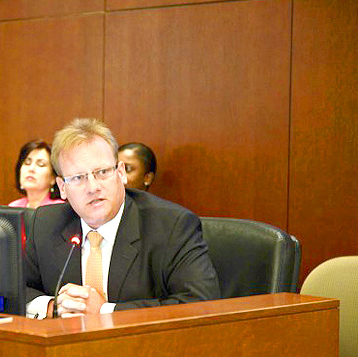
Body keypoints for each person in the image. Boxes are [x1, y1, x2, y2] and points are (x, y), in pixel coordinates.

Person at [25, 118, 219, 318]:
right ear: (62, 187)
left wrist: (104, 311)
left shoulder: (172, 226)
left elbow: (202, 302)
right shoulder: (46, 223)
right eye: (78, 178)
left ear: (120, 173)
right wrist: (53, 307)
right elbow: (14, 289)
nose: (93, 187)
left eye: (102, 172)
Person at [8, 139, 64, 209]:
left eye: (41, 164)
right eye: (27, 163)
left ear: (53, 177)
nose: (31, 169)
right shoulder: (13, 207)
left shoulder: (58, 209)